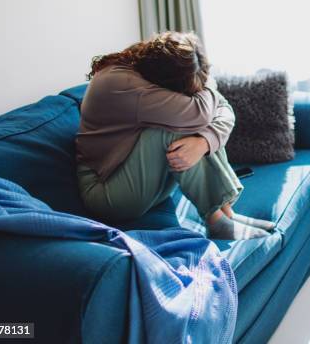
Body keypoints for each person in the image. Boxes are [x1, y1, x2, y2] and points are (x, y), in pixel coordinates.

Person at [75, 31, 274, 240]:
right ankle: (215, 220)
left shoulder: (146, 69)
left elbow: (223, 108)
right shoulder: (122, 84)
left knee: (195, 128)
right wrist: (208, 86)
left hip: (140, 181)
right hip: (106, 192)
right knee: (178, 128)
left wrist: (205, 142)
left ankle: (227, 213)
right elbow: (202, 113)